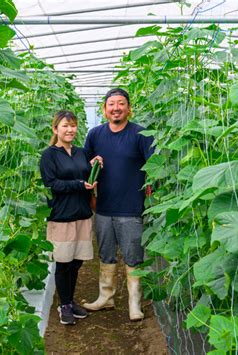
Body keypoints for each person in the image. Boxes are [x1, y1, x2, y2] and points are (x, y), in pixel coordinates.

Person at [82, 88, 154, 321]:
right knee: (106, 254)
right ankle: (106, 297)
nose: (116, 108)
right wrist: (91, 167)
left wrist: (151, 193)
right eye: (111, 104)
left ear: (128, 108)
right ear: (104, 110)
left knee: (133, 255)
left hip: (132, 207)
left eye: (121, 103)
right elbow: (85, 166)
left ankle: (135, 303)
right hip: (103, 207)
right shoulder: (95, 135)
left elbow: (154, 167)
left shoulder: (141, 134)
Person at [39, 110, 96, 326]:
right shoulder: (49, 155)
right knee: (63, 263)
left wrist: (95, 169)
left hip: (82, 214)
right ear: (55, 129)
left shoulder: (81, 153)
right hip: (61, 216)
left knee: (77, 261)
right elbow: (51, 184)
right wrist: (79, 185)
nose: (70, 129)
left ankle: (70, 301)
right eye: (65, 126)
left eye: (73, 126)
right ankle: (63, 306)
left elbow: (87, 175)